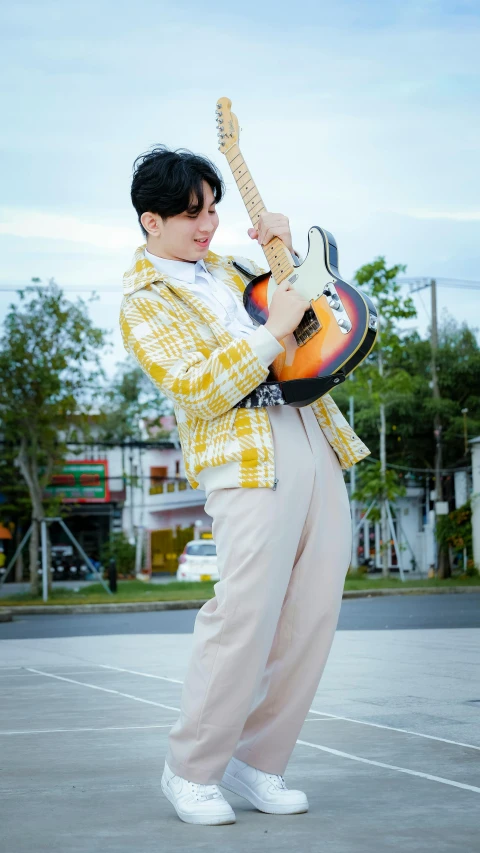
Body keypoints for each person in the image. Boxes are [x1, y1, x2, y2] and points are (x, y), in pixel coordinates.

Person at [120, 145, 370, 826]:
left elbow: (310, 316)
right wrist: (272, 333)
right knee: (244, 615)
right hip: (243, 452)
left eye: (212, 209)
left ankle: (259, 761)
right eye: (191, 213)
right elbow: (198, 389)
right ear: (151, 220)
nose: (208, 225)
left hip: (312, 432)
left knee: (312, 610)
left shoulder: (232, 271)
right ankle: (192, 768)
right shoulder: (143, 302)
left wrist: (287, 248)